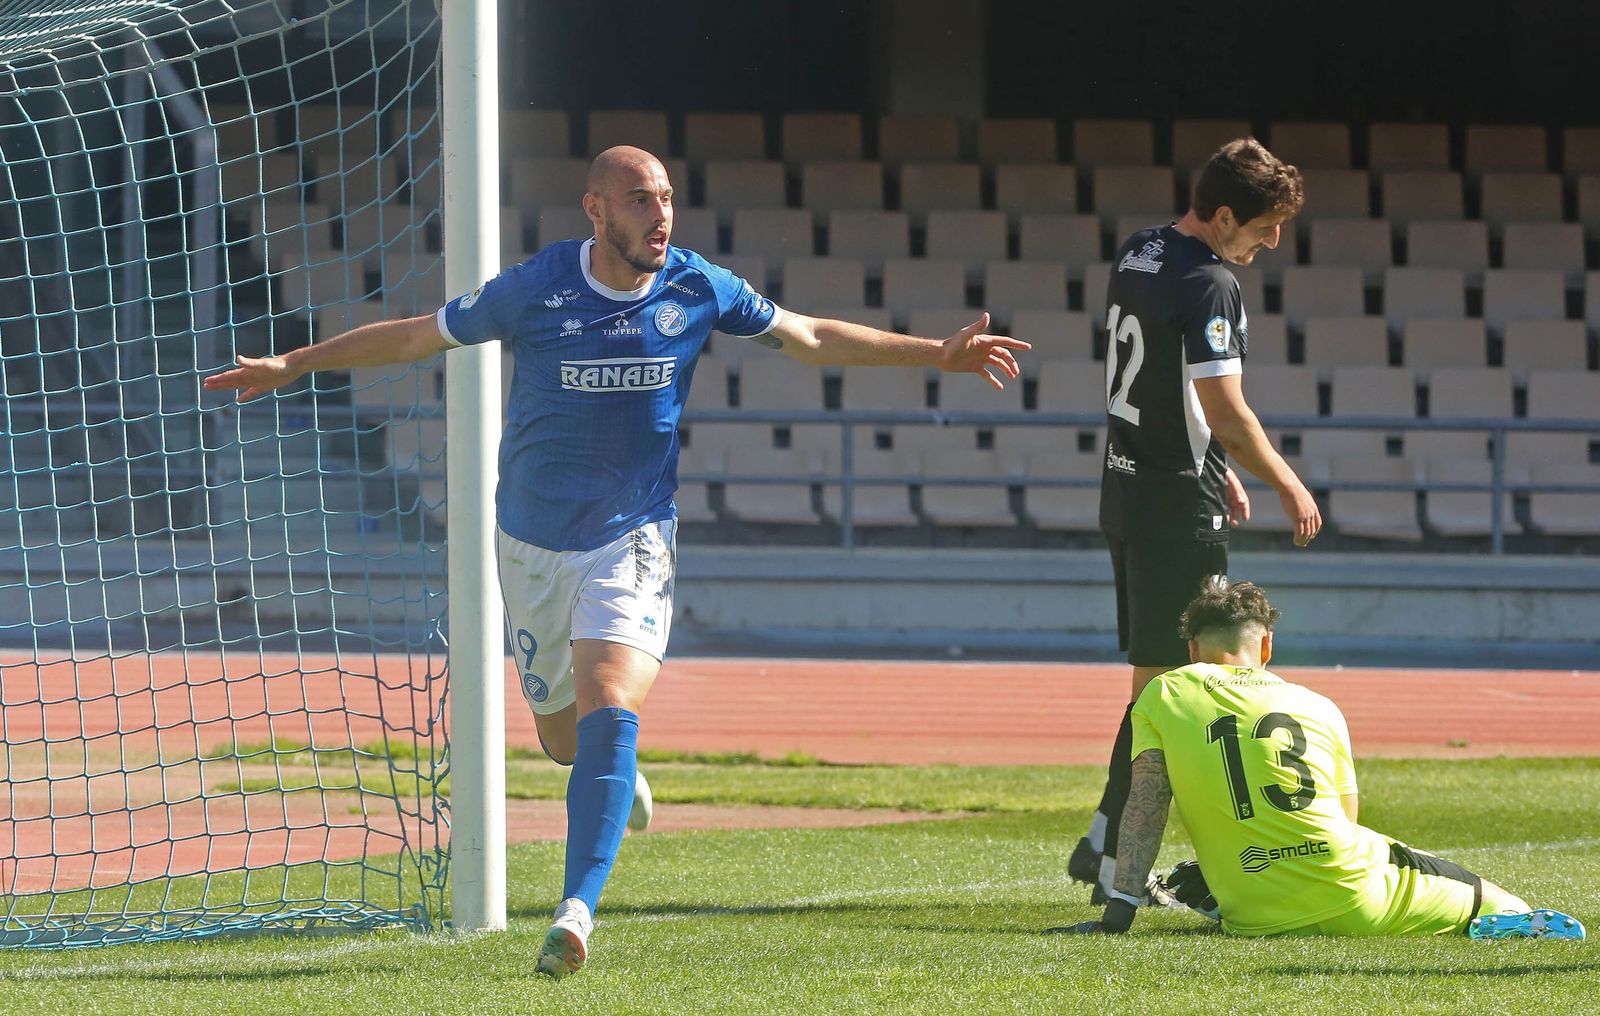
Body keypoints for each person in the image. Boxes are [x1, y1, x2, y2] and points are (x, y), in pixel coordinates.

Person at [204, 145, 1030, 978]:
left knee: (609, 695)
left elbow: (810, 336)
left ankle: (575, 912)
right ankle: (613, 772)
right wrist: (296, 364)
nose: (660, 215)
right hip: (529, 543)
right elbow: (421, 335)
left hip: (632, 535)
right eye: (639, 200)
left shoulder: (698, 286)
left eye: (666, 197)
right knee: (564, 739)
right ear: (595, 210)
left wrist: (937, 354)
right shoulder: (536, 289)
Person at [1072, 138, 1324, 902]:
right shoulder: (1212, 282)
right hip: (1175, 507)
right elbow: (1224, 407)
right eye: (1264, 226)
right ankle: (1117, 858)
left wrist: (1219, 473)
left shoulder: (1140, 251)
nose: (1272, 241)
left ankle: (1105, 847)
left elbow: (1158, 390)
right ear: (1223, 215)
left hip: (1128, 491)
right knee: (1182, 693)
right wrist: (1284, 481)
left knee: (1160, 689)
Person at [1056, 578, 1585, 940]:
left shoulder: (1164, 693)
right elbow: (1345, 821)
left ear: (1192, 650)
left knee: (1196, 872)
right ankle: (1508, 918)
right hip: (1355, 899)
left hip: (1252, 915)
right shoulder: (1318, 705)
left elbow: (1145, 805)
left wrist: (1120, 913)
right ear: (1265, 646)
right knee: (1484, 894)